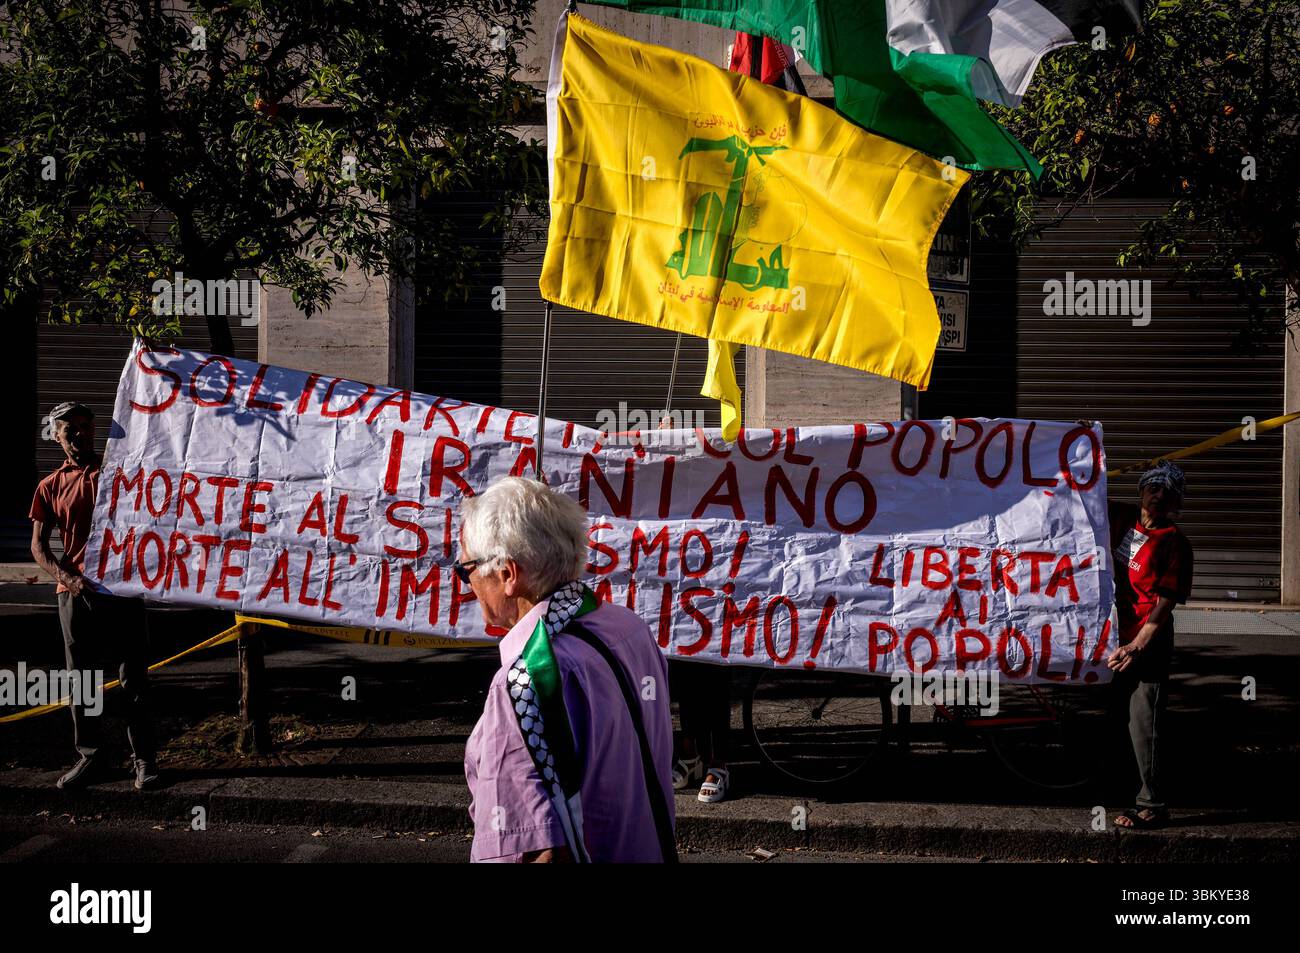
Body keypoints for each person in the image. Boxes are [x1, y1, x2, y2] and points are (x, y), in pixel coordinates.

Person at [459, 477, 676, 862]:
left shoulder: (523, 683)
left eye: (468, 569)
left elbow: (538, 850)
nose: (467, 584)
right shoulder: (628, 629)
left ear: (508, 575)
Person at [29, 401, 159, 791]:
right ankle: (91, 759)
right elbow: (37, 547)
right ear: (57, 436)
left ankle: (145, 761)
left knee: (132, 678)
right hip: (75, 594)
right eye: (72, 430)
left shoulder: (118, 471)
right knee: (81, 681)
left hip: (122, 589)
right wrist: (68, 580)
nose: (82, 435)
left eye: (87, 427)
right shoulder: (49, 486)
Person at [1106, 460, 1194, 829]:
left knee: (1145, 721)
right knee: (1117, 715)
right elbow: (1082, 490)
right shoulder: (1124, 518)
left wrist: (1138, 645)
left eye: (1167, 492)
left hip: (1148, 641)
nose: (1158, 496)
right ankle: (1124, 789)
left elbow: (1165, 603)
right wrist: (1078, 439)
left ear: (1176, 502)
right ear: (1141, 490)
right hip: (1115, 636)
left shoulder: (1175, 543)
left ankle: (1152, 804)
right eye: (1153, 488)